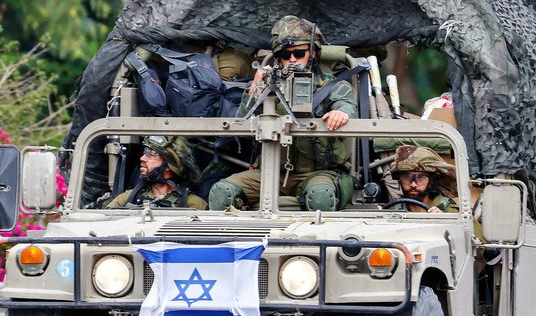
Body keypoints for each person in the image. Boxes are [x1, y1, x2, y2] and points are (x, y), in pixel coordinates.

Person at [209, 15, 358, 211]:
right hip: (269, 172)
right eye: (286, 56)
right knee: (222, 192)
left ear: (312, 53)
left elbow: (347, 105)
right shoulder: (269, 85)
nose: (292, 60)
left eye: (298, 53)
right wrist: (256, 87)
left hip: (317, 173)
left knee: (320, 196)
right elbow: (240, 124)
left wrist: (341, 112)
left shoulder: (332, 86)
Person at [107, 136, 207, 209]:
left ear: (169, 166)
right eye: (144, 153)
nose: (142, 158)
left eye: (151, 155)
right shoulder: (127, 198)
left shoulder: (194, 204)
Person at [389, 145, 458, 213]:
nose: (413, 184)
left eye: (421, 177)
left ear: (431, 181)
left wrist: (444, 219)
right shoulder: (392, 210)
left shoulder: (447, 210)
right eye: (406, 177)